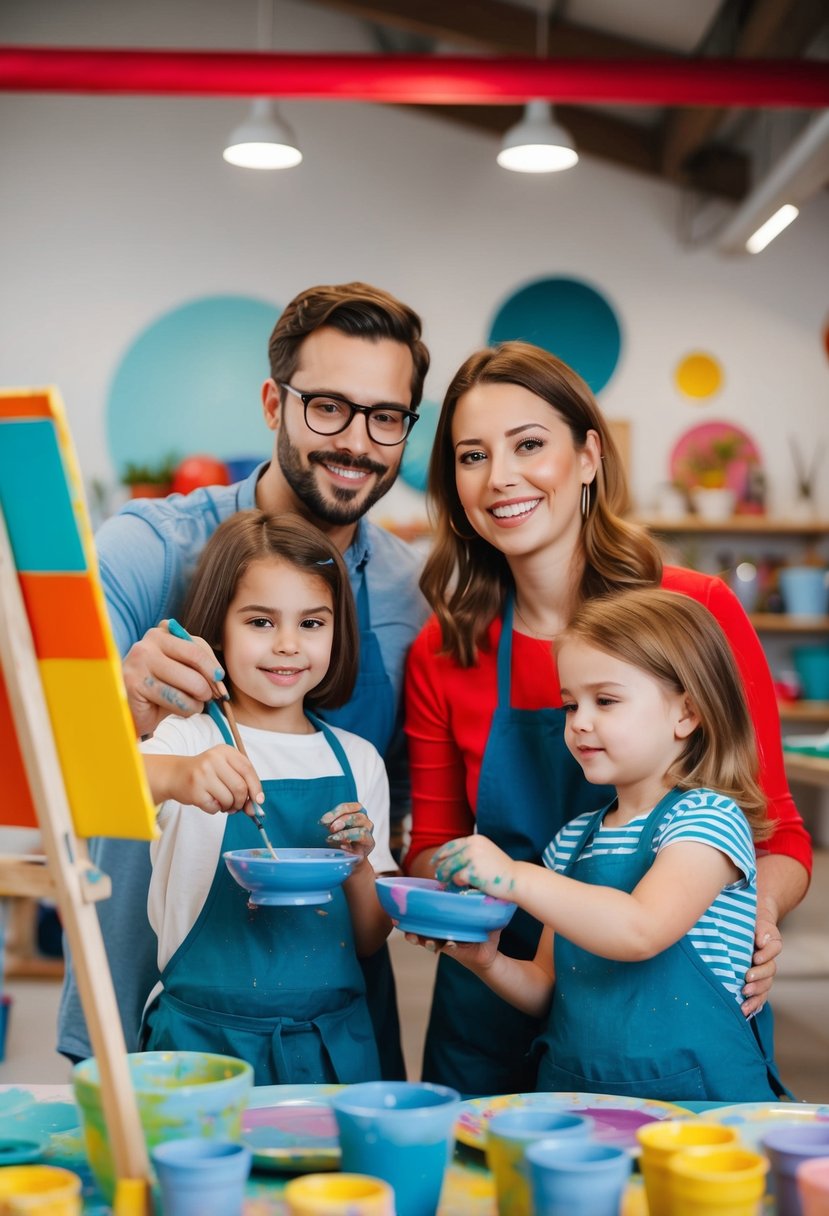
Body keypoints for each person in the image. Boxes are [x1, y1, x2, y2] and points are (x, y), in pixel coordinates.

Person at [403, 341, 811, 1098]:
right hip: (496, 1000)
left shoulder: (694, 615)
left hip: (667, 1012)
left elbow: (776, 829)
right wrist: (464, 896)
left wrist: (739, 917)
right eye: (471, 456)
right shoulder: (444, 647)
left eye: (529, 445)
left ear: (588, 456)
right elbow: (430, 845)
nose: (500, 478)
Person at [57, 282, 431, 1074]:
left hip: (332, 1023)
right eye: (326, 405)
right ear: (273, 402)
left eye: (385, 416)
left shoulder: (409, 591)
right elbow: (51, 751)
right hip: (156, 1009)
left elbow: (400, 816)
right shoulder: (148, 547)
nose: (355, 441)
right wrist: (126, 698)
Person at [420, 588, 790, 1103]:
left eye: (606, 701)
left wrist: (516, 877)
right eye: (570, 704)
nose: (579, 723)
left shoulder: (707, 821)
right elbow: (546, 988)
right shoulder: (572, 842)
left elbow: (642, 928)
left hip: (700, 1109)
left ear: (687, 713)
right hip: (580, 1099)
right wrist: (487, 961)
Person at [140, 511, 391, 1084]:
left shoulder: (357, 760)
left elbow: (372, 937)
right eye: (259, 621)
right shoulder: (187, 737)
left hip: (330, 1049)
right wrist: (180, 775)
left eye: (311, 623)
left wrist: (358, 864)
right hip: (201, 1047)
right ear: (217, 629)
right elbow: (99, 780)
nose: (287, 645)